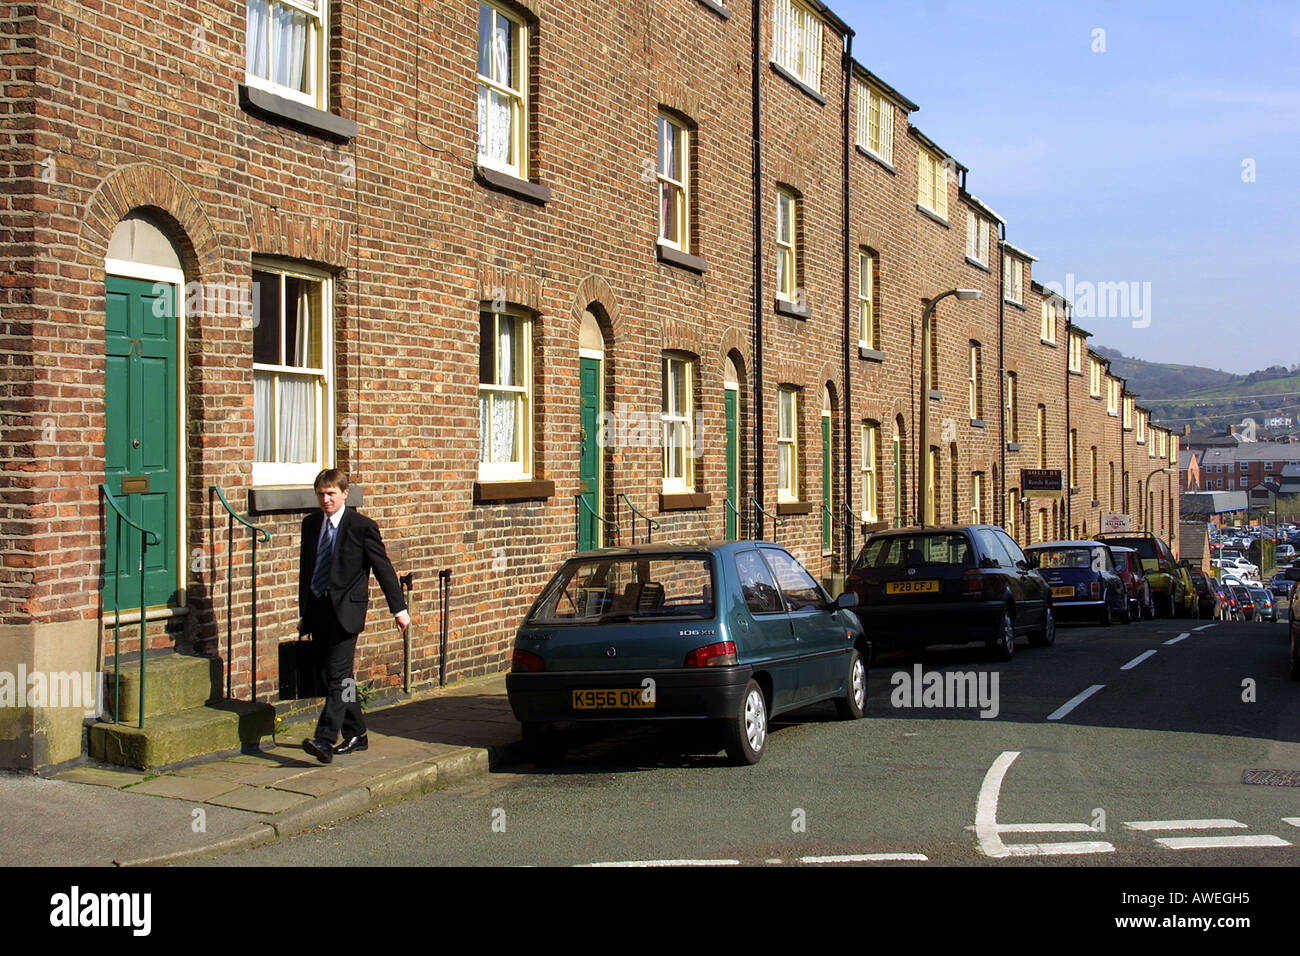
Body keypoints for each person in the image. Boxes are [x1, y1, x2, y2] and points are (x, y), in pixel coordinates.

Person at [298, 469, 409, 763]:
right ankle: (357, 732)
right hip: (319, 611)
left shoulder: (361, 527)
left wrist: (399, 609)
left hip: (347, 612)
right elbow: (305, 572)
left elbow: (383, 568)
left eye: (331, 494)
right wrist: (303, 613)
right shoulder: (310, 525)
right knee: (335, 676)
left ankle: (324, 739)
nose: (325, 499)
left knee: (336, 675)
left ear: (345, 494)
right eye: (321, 494)